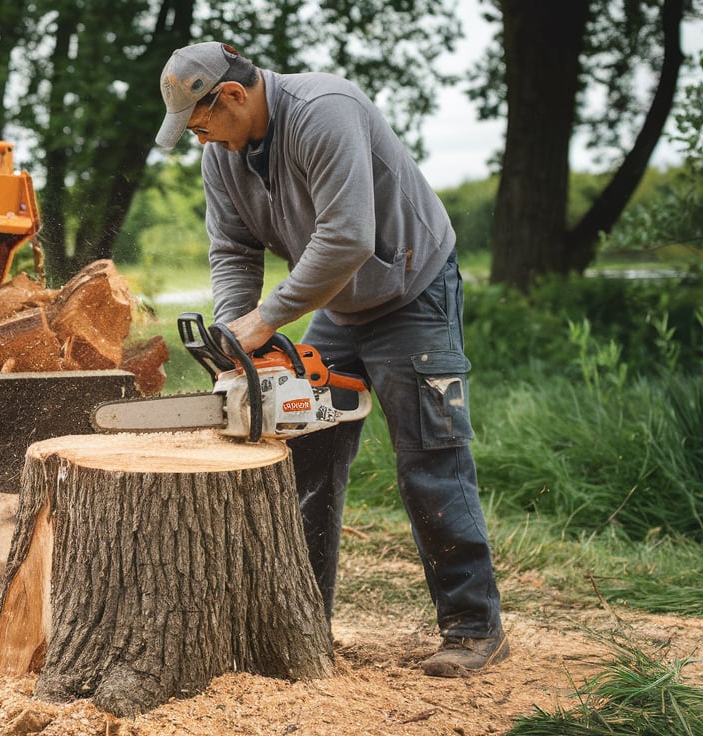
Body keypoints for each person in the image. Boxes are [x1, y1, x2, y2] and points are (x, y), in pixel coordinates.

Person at [154, 41, 508, 677]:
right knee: (306, 452)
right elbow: (232, 249)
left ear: (232, 94)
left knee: (429, 457)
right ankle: (303, 621)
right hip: (337, 306)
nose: (203, 140)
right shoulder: (224, 159)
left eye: (203, 124)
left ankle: (473, 625)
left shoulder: (325, 110)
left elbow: (346, 236)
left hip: (409, 291)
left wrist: (268, 319)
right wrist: (238, 335)